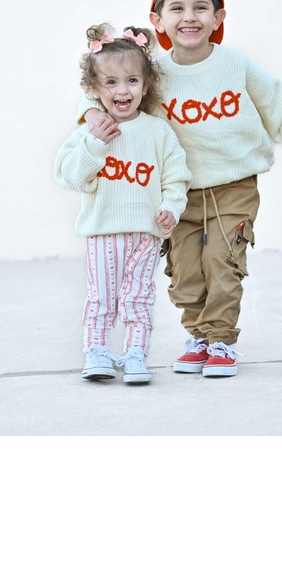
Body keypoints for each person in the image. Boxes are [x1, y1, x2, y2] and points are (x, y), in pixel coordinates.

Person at [80, 0, 282, 378]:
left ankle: (221, 340)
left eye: (200, 7)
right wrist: (90, 113)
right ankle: (198, 335)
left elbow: (277, 103)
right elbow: (108, 85)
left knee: (222, 261)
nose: (189, 17)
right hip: (177, 195)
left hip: (234, 188)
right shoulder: (153, 73)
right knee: (185, 273)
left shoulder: (235, 65)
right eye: (177, 8)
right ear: (158, 21)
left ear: (218, 18)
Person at [55, 23, 191, 384]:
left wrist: (171, 207)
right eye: (111, 82)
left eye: (132, 80)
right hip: (103, 232)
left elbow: (176, 176)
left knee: (138, 298)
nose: (122, 90)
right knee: (101, 298)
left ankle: (134, 355)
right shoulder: (89, 132)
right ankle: (96, 352)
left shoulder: (158, 131)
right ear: (94, 89)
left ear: (146, 85)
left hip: (146, 233)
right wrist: (95, 144)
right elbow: (69, 177)